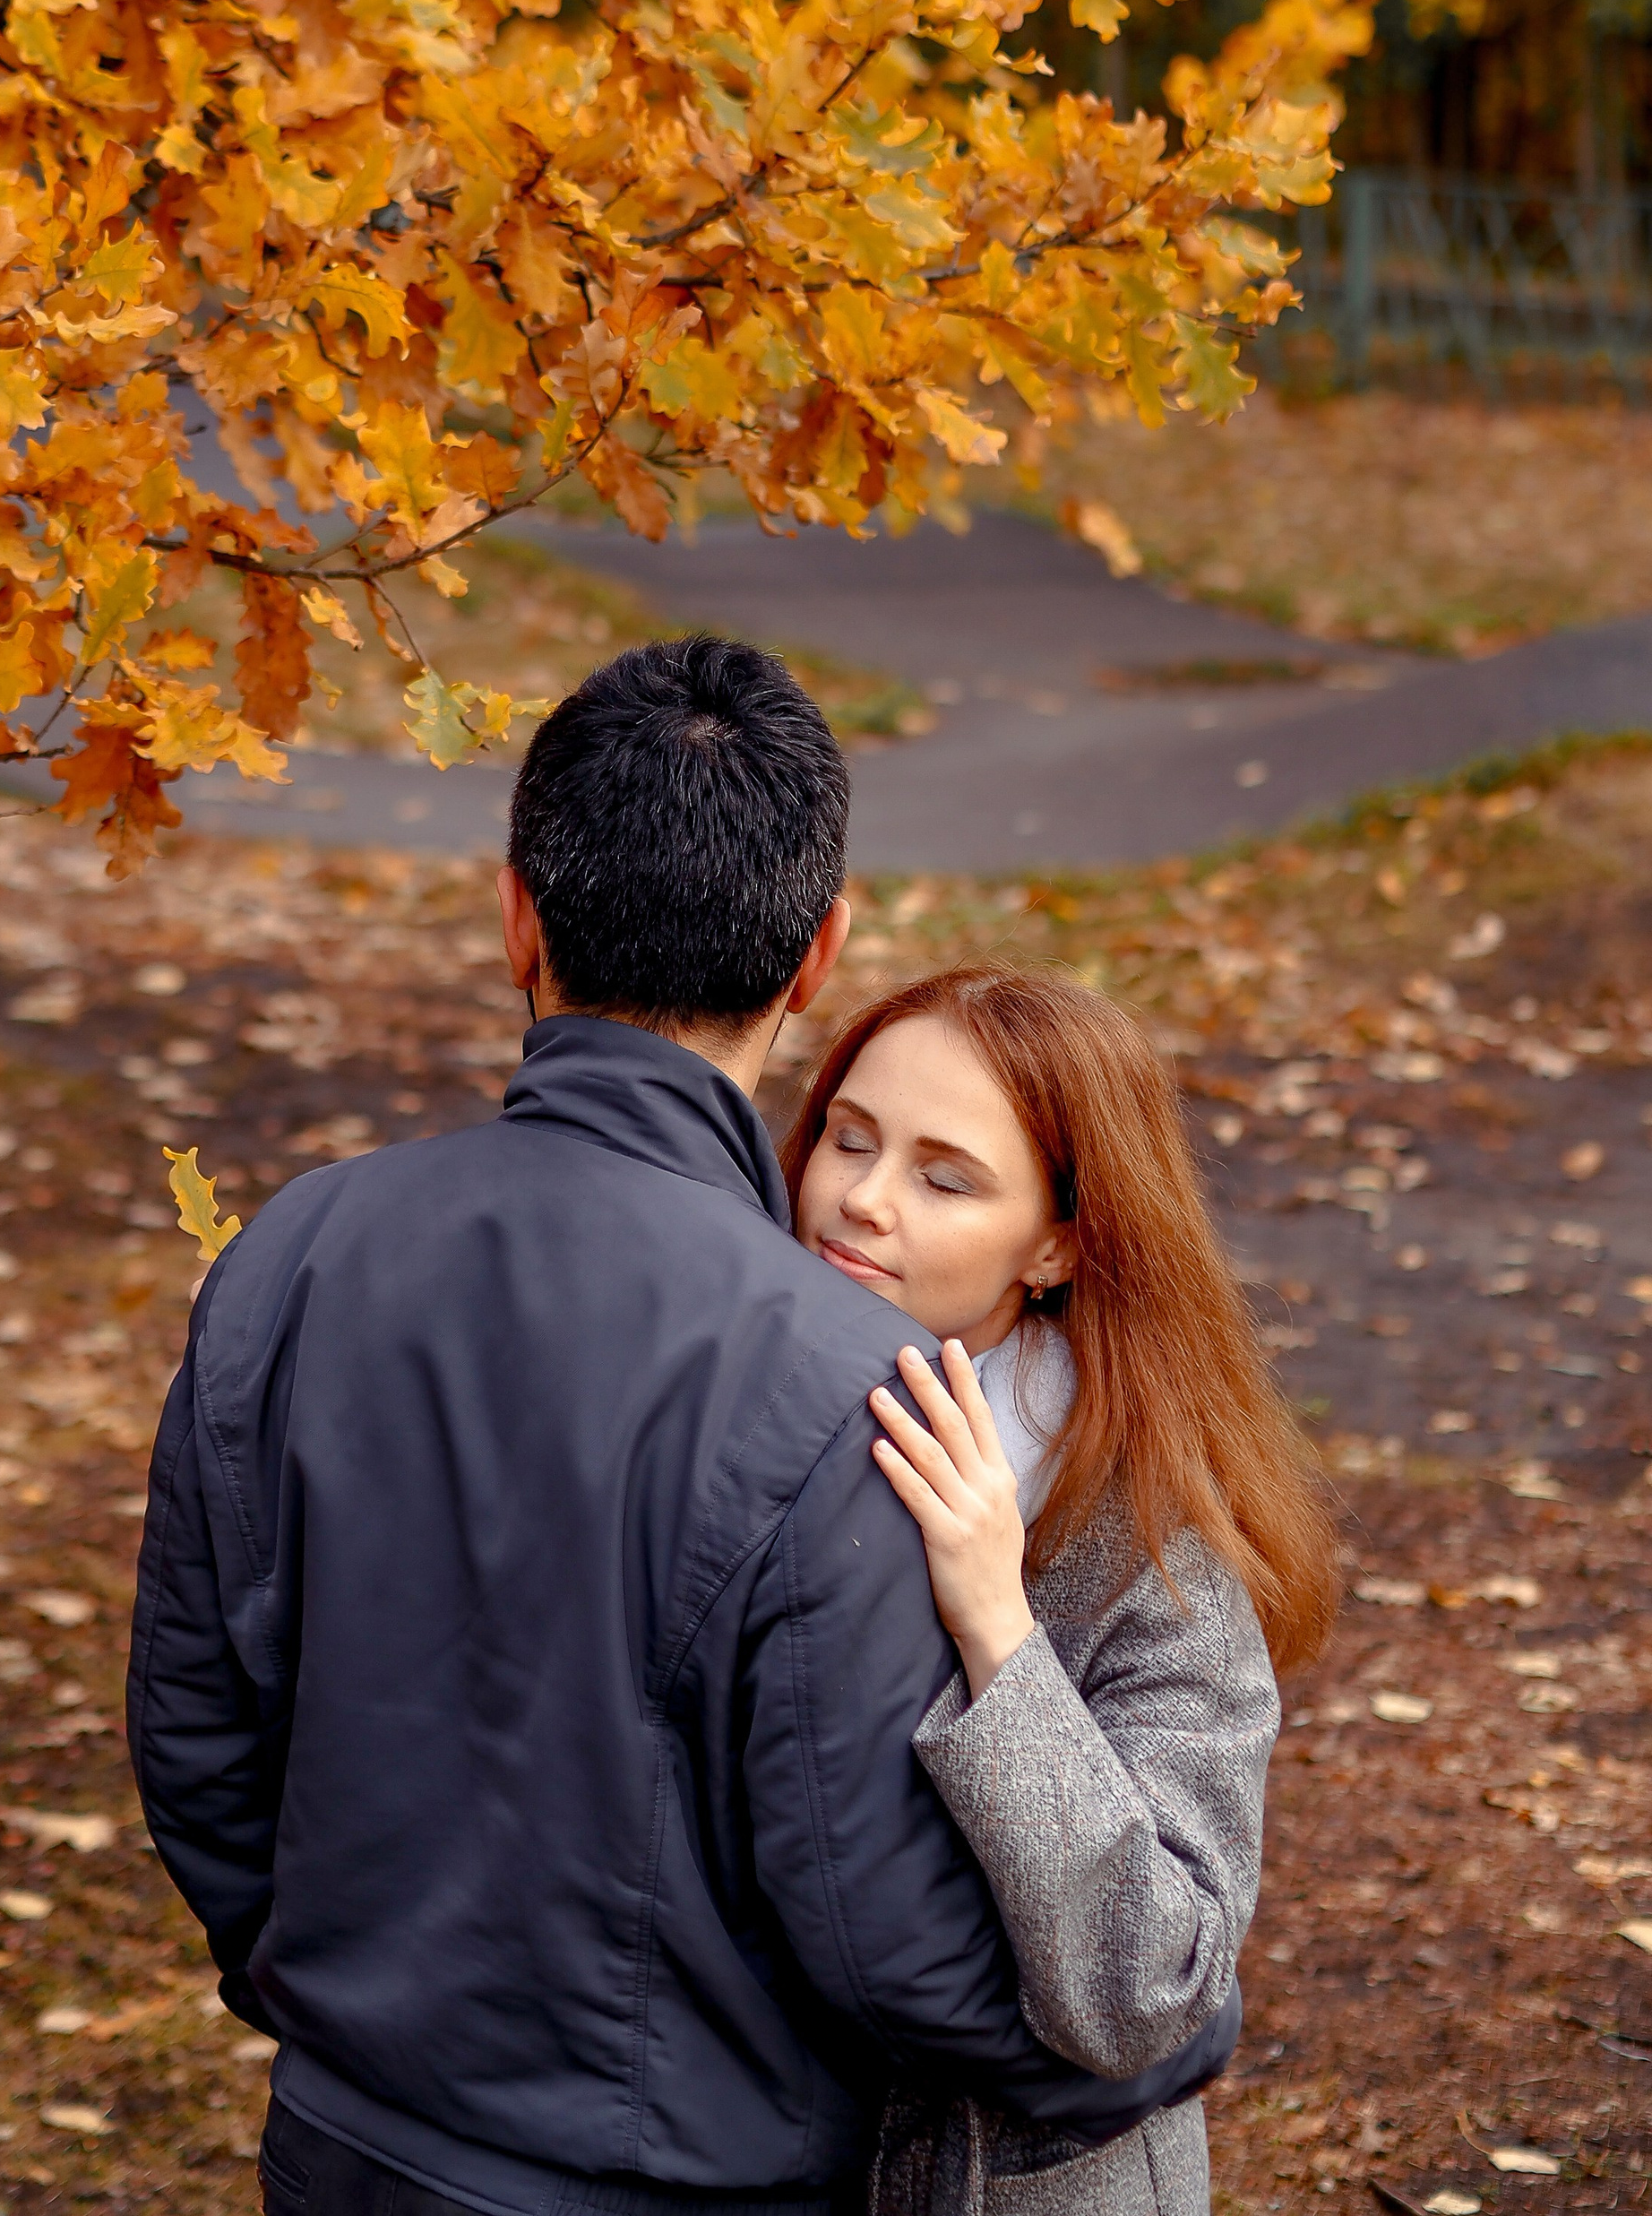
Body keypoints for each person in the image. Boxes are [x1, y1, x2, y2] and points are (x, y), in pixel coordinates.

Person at [128, 640, 1239, 2216]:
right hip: (687, 2176)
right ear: (817, 955)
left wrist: (335, 2007)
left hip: (349, 2147)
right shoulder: (846, 1382)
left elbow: (199, 1735)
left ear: (516, 911)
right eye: (858, 1143)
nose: (868, 1191)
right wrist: (1148, 2052)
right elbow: (878, 1919)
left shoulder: (293, 1254)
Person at [782, 965, 1342, 2215]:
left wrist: (998, 1627)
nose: (860, 1199)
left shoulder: (1144, 1548)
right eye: (848, 1136)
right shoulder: (745, 1434)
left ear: (1057, 1240)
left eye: (944, 1176)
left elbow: (1149, 1985)